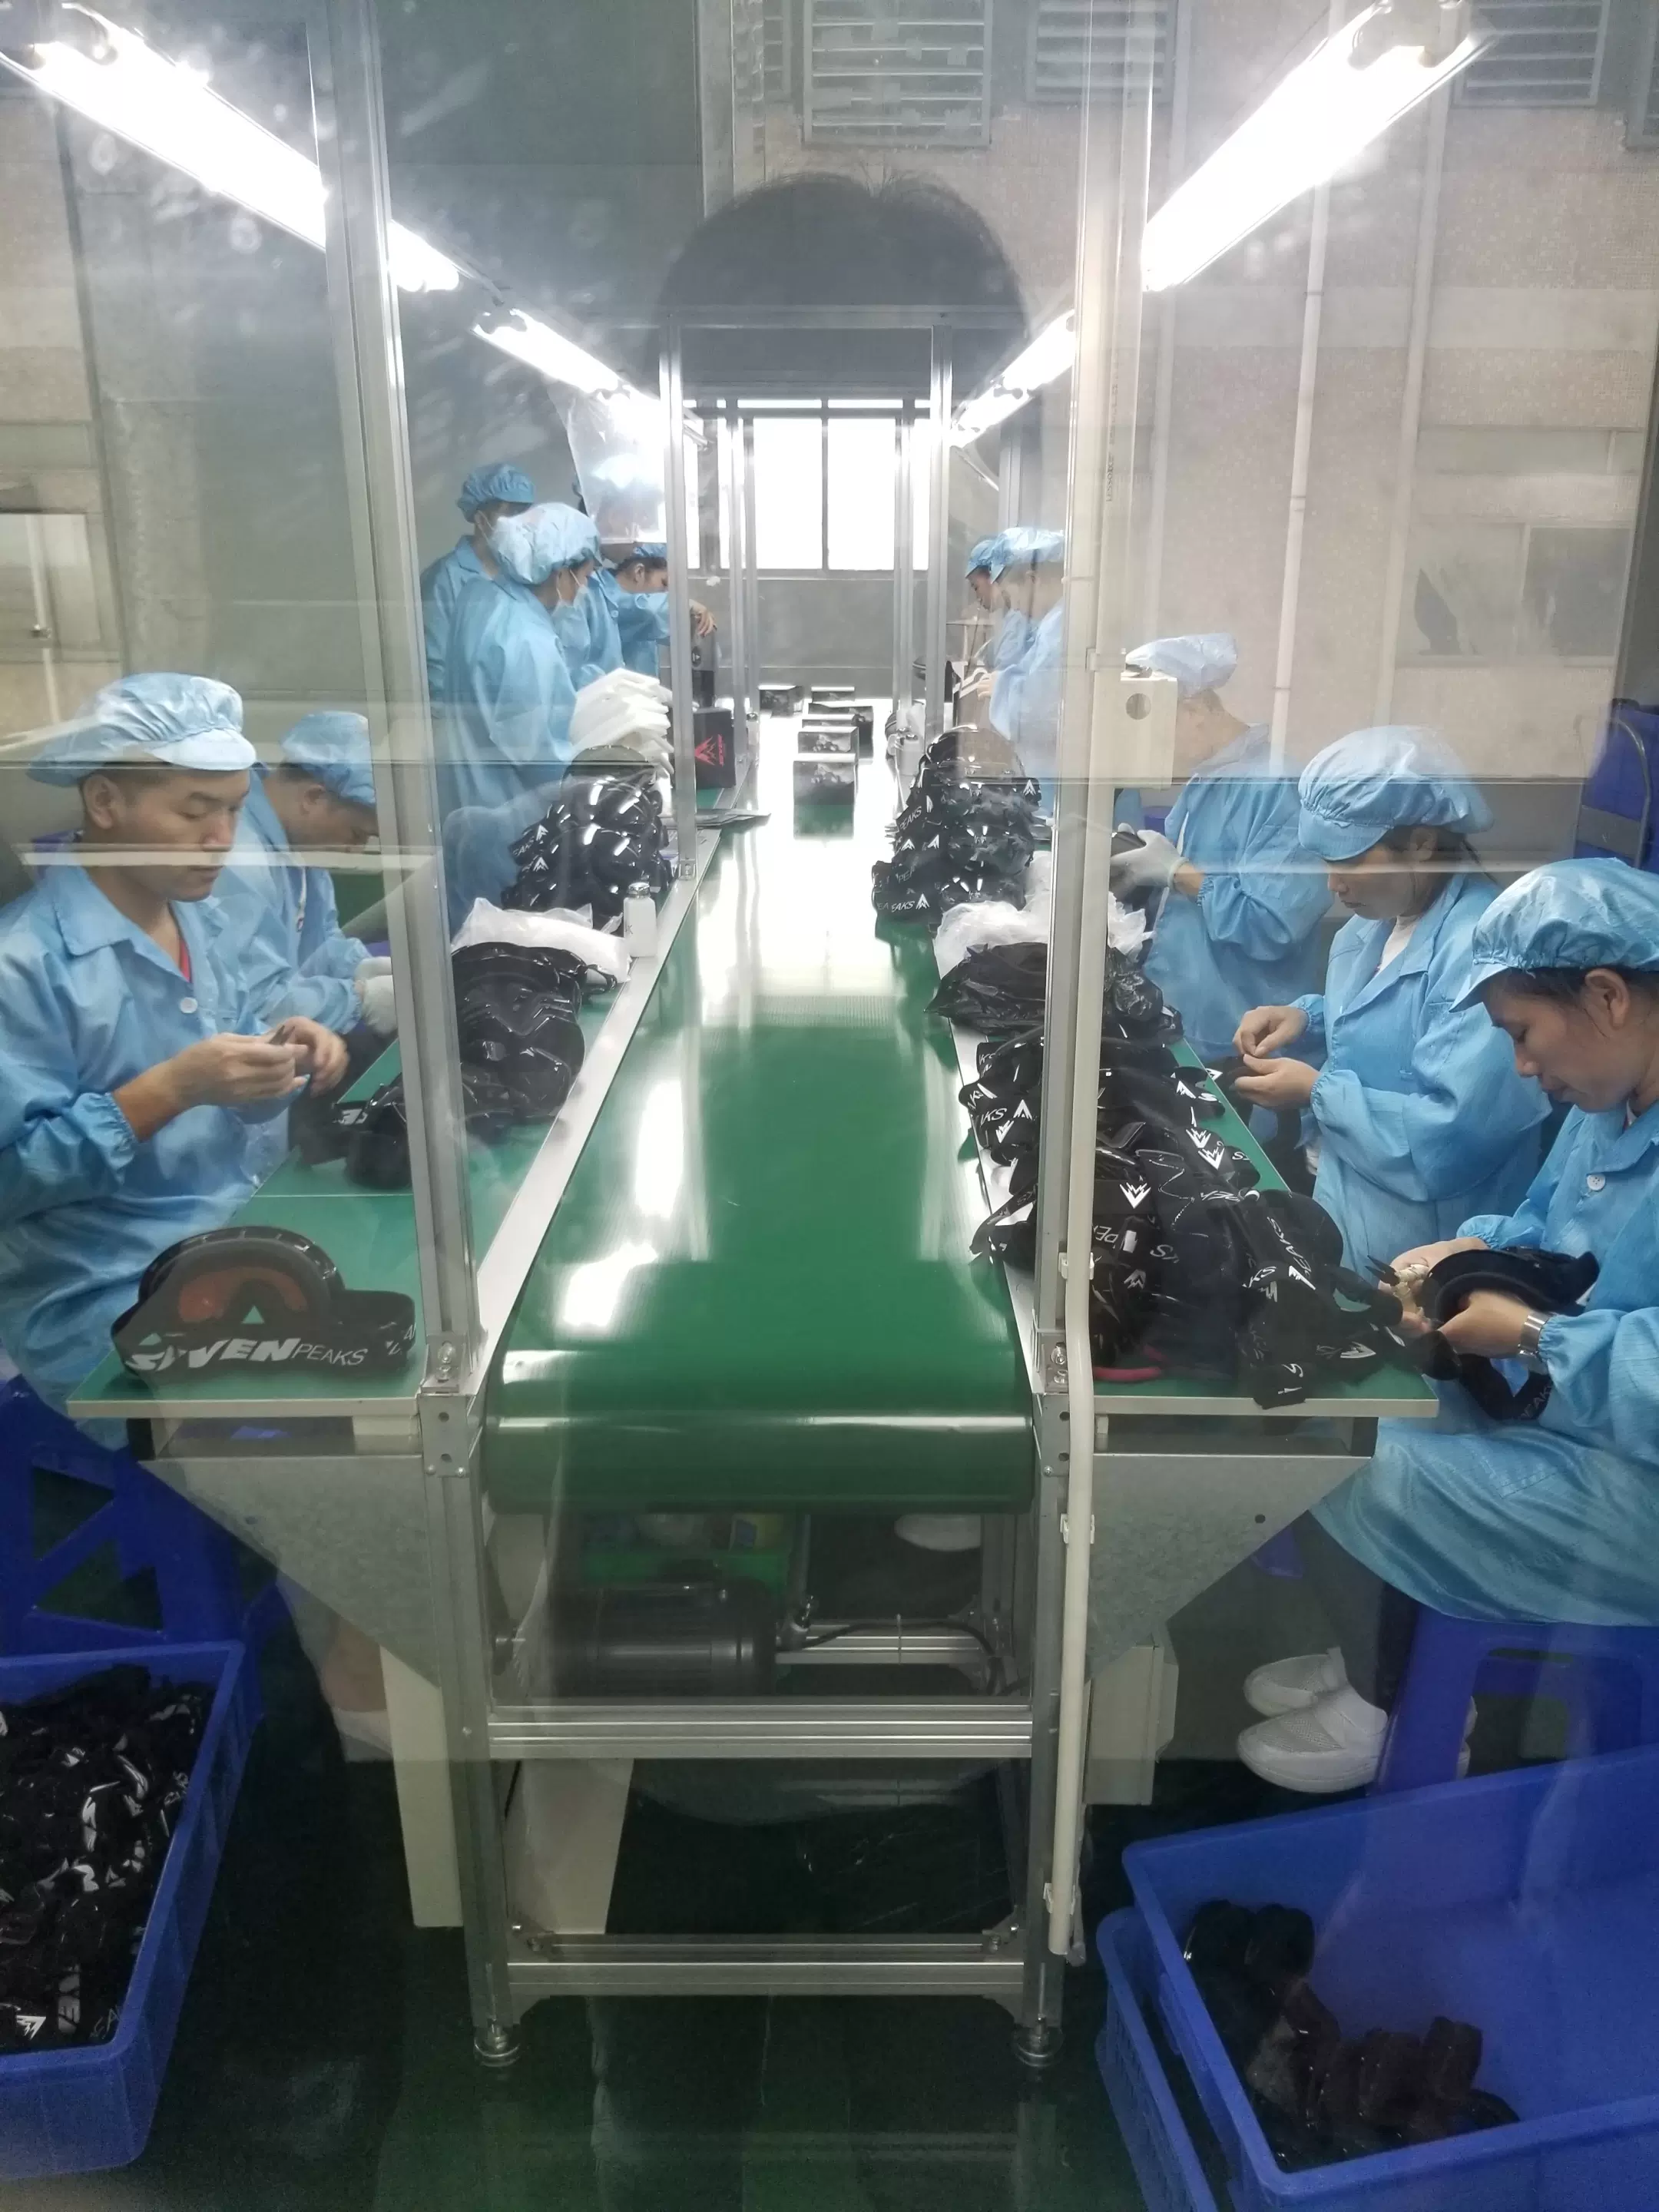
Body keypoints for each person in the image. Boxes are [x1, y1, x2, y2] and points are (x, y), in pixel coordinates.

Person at [1238, 857, 1659, 1791]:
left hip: (1637, 1483)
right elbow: (1545, 1224)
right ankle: (1373, 1652)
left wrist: (1538, 1337)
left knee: (1348, 1462)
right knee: (1333, 1407)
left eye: (1523, 1034)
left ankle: (1395, 1706)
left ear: (1606, 995)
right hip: (1571, 1415)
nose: (1523, 1067)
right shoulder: (1611, 1102)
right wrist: (1467, 1248)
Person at [0, 674, 347, 1414]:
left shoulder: (201, 921)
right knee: (333, 1435)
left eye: (234, 810)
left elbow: (227, 1096)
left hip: (237, 1238)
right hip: (108, 1295)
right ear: (105, 803)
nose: (221, 839)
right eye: (194, 811)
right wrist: (170, 1090)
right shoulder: (22, 967)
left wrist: (277, 1055)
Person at [1233, 726, 1548, 1273]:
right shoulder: (1379, 920)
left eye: (1349, 861)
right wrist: (1308, 1016)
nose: (1333, 884)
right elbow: (1390, 1012)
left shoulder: (1485, 956)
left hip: (1421, 1245)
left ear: (1421, 843)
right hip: (1345, 1198)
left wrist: (1316, 1092)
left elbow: (1454, 1135)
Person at [1111, 633, 1330, 1067]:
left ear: (1194, 711)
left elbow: (1271, 927)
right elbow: (1191, 896)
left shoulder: (1278, 788)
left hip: (1238, 1035)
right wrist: (1142, 874)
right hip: (1182, 1012)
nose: (1153, 750)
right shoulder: (1208, 777)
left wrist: (1177, 871)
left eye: (1157, 733)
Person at [213, 710, 395, 1038]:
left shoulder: (300, 846)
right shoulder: (240, 863)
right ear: (313, 798)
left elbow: (319, 941)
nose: (356, 850)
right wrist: (357, 999)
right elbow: (256, 1004)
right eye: (356, 834)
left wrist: (357, 965)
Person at [419, 462, 535, 700]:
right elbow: (435, 670)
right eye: (511, 515)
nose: (520, 527)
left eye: (524, 516)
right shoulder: (444, 579)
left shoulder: (522, 575)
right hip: (465, 715)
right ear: (481, 521)